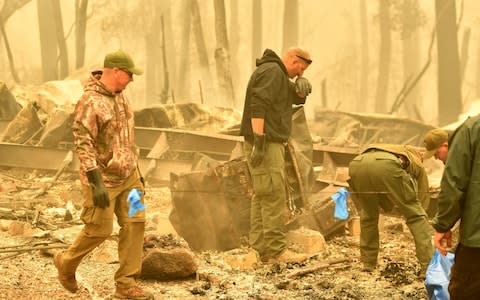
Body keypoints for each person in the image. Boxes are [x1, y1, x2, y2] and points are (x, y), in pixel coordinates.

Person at [53, 50, 154, 300]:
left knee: (136, 223)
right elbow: (82, 142)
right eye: (129, 74)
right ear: (116, 71)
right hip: (103, 181)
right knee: (100, 229)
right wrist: (95, 181)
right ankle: (66, 262)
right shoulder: (90, 101)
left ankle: (126, 285)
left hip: (129, 178)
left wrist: (138, 173)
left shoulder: (123, 98)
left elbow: (128, 141)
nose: (132, 79)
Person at [240, 47, 312, 263]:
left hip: (268, 141)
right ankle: (276, 251)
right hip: (266, 142)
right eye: (301, 67)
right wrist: (259, 140)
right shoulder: (272, 71)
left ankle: (260, 249)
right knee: (273, 195)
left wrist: (300, 91)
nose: (301, 73)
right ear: (293, 59)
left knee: (262, 195)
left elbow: (288, 98)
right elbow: (258, 104)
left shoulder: (276, 74)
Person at [347, 143, 434, 274]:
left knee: (368, 216)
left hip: (357, 163)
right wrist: (418, 213)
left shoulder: (393, 149)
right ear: (419, 156)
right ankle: (428, 267)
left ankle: (368, 263)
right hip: (385, 166)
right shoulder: (417, 160)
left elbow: (380, 186)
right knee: (417, 218)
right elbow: (422, 193)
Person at [431, 115, 480, 298]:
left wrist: (443, 225)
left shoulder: (471, 129)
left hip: (477, 243)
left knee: (467, 291)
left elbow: (454, 184)